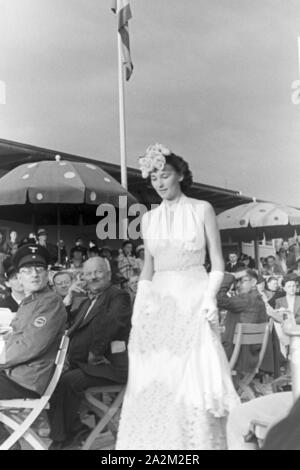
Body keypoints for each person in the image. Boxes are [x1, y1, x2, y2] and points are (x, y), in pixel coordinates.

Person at [116, 143, 239, 450]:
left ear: (180, 175)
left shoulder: (202, 209)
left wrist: (210, 298)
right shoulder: (148, 219)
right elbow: (148, 267)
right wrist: (139, 305)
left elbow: (217, 261)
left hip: (193, 296)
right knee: (153, 372)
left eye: (166, 174)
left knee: (190, 372)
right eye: (154, 176)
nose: (159, 182)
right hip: (157, 303)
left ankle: (192, 445)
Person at [47, 256, 132, 449]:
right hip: (85, 365)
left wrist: (94, 352)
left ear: (109, 274)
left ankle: (65, 439)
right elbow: (66, 325)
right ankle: (73, 432)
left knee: (67, 382)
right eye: (87, 273)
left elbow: (113, 324)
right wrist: (68, 299)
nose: (92, 277)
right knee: (52, 378)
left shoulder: (118, 295)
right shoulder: (86, 302)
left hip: (108, 366)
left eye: (98, 272)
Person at [0, 244, 67, 445]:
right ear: (19, 278)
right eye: (27, 271)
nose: (34, 275)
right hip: (18, 375)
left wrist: (1, 358)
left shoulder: (49, 302)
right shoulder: (30, 302)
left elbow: (30, 345)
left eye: (39, 269)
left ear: (47, 274)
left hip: (27, 380)